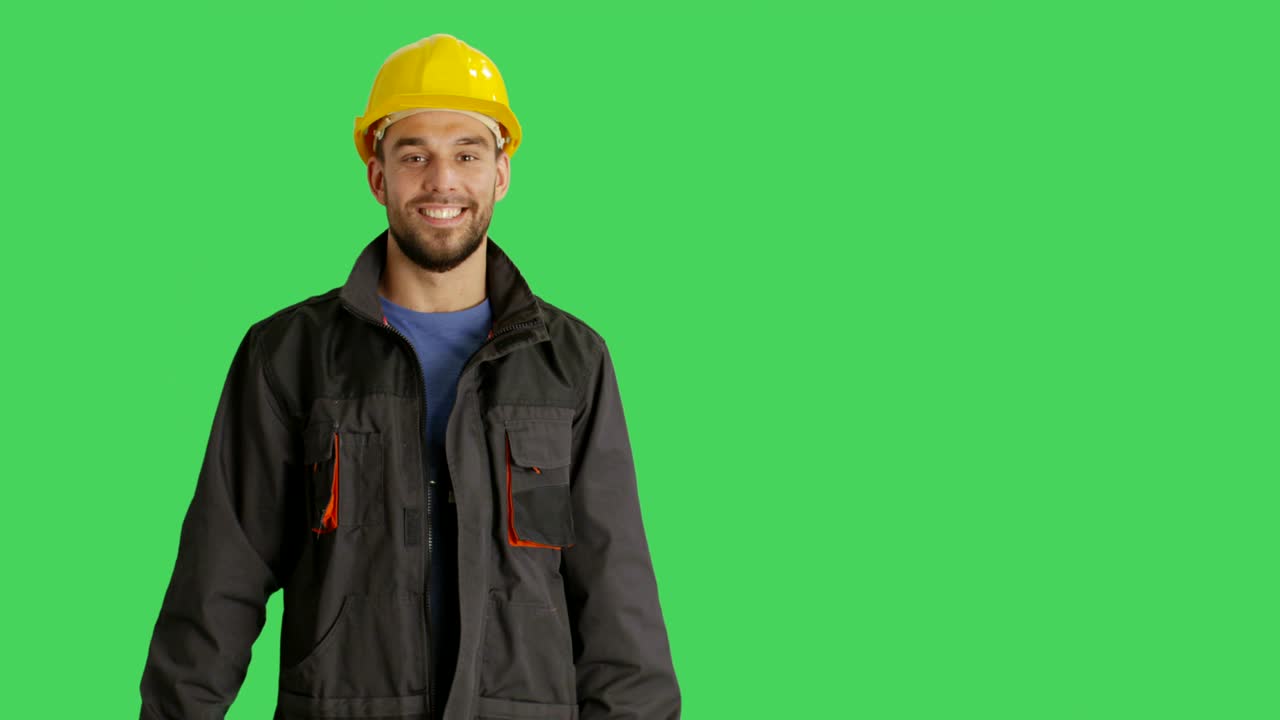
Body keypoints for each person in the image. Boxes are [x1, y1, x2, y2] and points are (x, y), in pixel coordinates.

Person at [138, 33, 680, 720]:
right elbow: (216, 584)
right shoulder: (289, 356)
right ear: (377, 176)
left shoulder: (570, 362)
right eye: (414, 154)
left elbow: (616, 603)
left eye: (467, 153)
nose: (442, 181)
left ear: (501, 174)